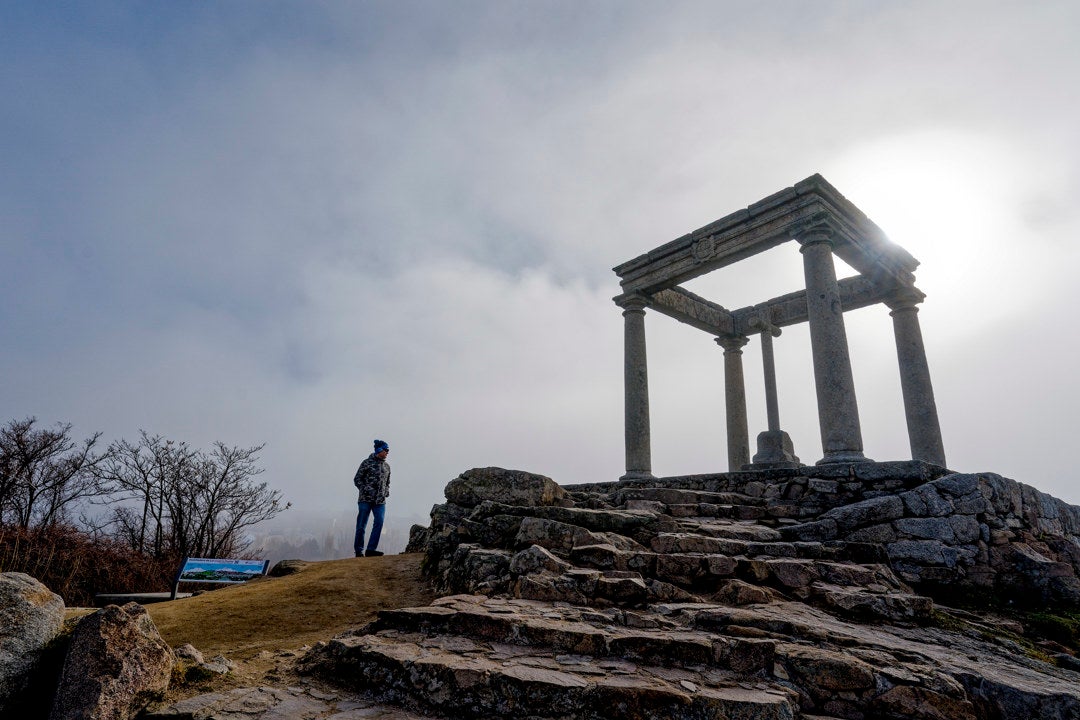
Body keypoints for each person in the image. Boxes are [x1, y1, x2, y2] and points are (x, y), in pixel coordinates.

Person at [353, 438, 391, 557]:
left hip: (380, 502)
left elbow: (388, 482)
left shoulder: (387, 467)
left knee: (379, 522)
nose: (387, 452)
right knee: (361, 526)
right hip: (365, 500)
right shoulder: (366, 463)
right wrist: (365, 489)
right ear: (379, 450)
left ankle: (371, 549)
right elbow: (357, 479)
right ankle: (359, 550)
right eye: (386, 450)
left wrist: (386, 491)